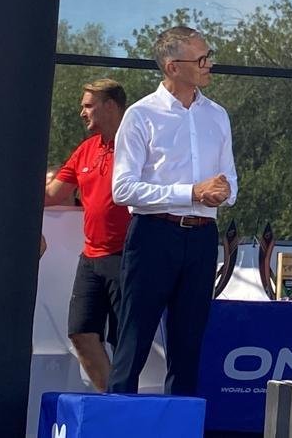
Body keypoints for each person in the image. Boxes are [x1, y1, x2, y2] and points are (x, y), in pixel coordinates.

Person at [108, 27, 237, 395]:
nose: (209, 64)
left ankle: (180, 419)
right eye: (201, 59)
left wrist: (223, 193)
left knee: (188, 345)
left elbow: (229, 181)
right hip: (153, 235)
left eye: (209, 55)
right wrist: (191, 192)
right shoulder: (141, 115)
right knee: (133, 340)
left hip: (202, 238)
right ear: (172, 67)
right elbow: (123, 189)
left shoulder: (217, 115)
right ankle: (117, 416)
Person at [43, 78, 131, 392]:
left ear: (111, 106)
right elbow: (52, 194)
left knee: (125, 340)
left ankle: (126, 404)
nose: (82, 112)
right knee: (81, 332)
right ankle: (113, 399)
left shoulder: (137, 144)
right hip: (91, 257)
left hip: (127, 256)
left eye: (88, 106)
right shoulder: (86, 149)